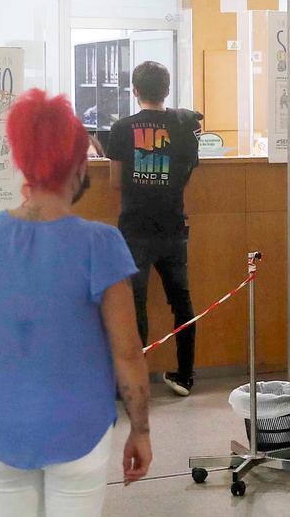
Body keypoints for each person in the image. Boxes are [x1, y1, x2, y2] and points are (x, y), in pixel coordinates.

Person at [0, 89, 151, 516]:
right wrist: (141, 429)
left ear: (21, 160)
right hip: (78, 425)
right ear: (78, 166)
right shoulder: (101, 244)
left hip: (1, 422)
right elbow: (127, 352)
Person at [107, 61, 204, 395]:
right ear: (167, 89)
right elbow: (187, 173)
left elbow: (115, 182)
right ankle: (185, 376)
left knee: (134, 305)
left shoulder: (121, 129)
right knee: (182, 301)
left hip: (134, 228)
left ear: (135, 91)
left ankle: (133, 382)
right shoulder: (185, 125)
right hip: (173, 226)